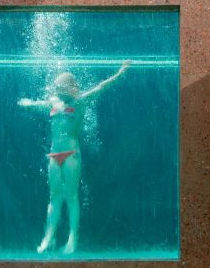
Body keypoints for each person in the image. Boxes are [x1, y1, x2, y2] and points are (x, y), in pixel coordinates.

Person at [18, 60, 131, 254]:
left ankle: (72, 237)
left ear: (70, 88)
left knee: (70, 196)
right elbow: (41, 104)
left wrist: (120, 73)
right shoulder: (54, 103)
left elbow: (101, 87)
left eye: (61, 88)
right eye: (57, 88)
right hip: (54, 154)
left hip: (71, 154)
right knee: (54, 197)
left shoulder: (80, 101)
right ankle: (48, 237)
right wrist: (29, 104)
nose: (58, 92)